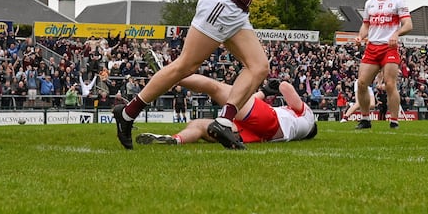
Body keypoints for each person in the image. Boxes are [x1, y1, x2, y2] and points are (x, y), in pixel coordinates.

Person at [113, 0, 335, 150]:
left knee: (259, 67)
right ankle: (127, 113)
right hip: (223, 4)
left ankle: (223, 121)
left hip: (235, 9)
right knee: (186, 65)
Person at [135, 74, 317, 147]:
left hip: (271, 122)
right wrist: (265, 92)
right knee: (198, 125)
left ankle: (171, 76)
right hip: (262, 133)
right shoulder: (299, 127)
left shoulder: (307, 115)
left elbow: (285, 87)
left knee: (214, 87)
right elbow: (247, 103)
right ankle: (176, 140)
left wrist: (274, 86)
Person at [354, 0, 412, 130]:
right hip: (372, 47)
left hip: (389, 48)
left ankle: (394, 120)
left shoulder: (398, 1)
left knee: (390, 84)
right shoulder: (369, 3)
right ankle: (365, 119)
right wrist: (360, 37)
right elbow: (366, 24)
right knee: (362, 83)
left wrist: (397, 33)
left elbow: (408, 24)